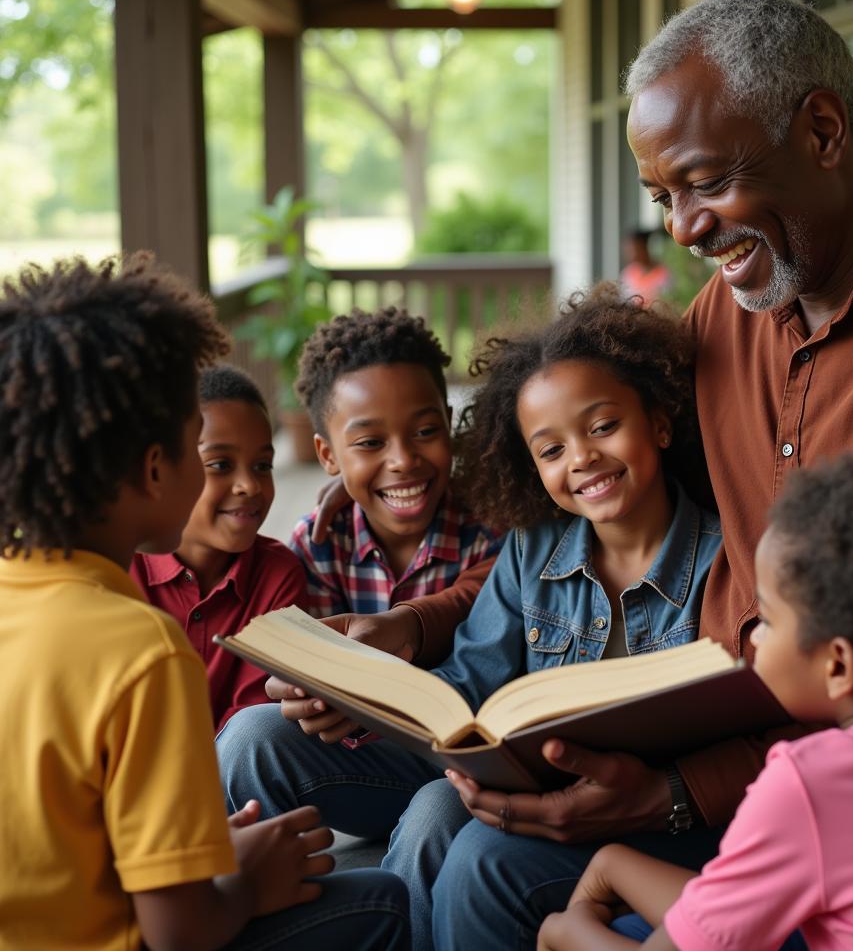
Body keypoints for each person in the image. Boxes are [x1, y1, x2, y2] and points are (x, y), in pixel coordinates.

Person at [390, 0, 853, 951]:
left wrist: (683, 794)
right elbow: (594, 507)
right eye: (662, 198)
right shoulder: (731, 312)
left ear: (821, 128)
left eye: (703, 183)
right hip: (714, 758)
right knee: (442, 818)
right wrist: (416, 627)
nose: (682, 230)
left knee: (482, 861)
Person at [0, 255, 410, 951]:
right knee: (384, 900)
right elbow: (178, 932)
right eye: (202, 449)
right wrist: (250, 882)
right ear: (156, 467)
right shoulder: (140, 646)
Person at [538, 456, 853, 950]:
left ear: (837, 665)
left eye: (766, 620)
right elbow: (718, 918)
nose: (755, 639)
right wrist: (613, 864)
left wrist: (564, 932)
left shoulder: (810, 785)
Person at [377, 283, 723, 949]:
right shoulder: (533, 550)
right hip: (548, 791)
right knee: (433, 808)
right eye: (552, 450)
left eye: (602, 426)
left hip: (672, 815)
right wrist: (386, 699)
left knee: (477, 851)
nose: (583, 459)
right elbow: (469, 685)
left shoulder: (724, 559)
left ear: (659, 419)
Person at [217, 307, 503, 840]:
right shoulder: (318, 547)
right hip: (370, 767)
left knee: (434, 813)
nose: (402, 460)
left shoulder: (493, 528)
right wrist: (312, 699)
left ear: (449, 423)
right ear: (327, 454)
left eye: (424, 431)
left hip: (474, 772)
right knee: (248, 736)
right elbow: (308, 683)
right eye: (370, 443)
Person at [130, 365, 308, 733]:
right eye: (220, 465)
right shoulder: (121, 570)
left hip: (231, 780)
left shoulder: (277, 576)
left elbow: (252, 724)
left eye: (263, 465)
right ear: (162, 468)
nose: (249, 485)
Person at [620, 229, 672, 305]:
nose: (630, 252)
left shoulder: (664, 274)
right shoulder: (628, 274)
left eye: (633, 248)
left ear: (644, 247)